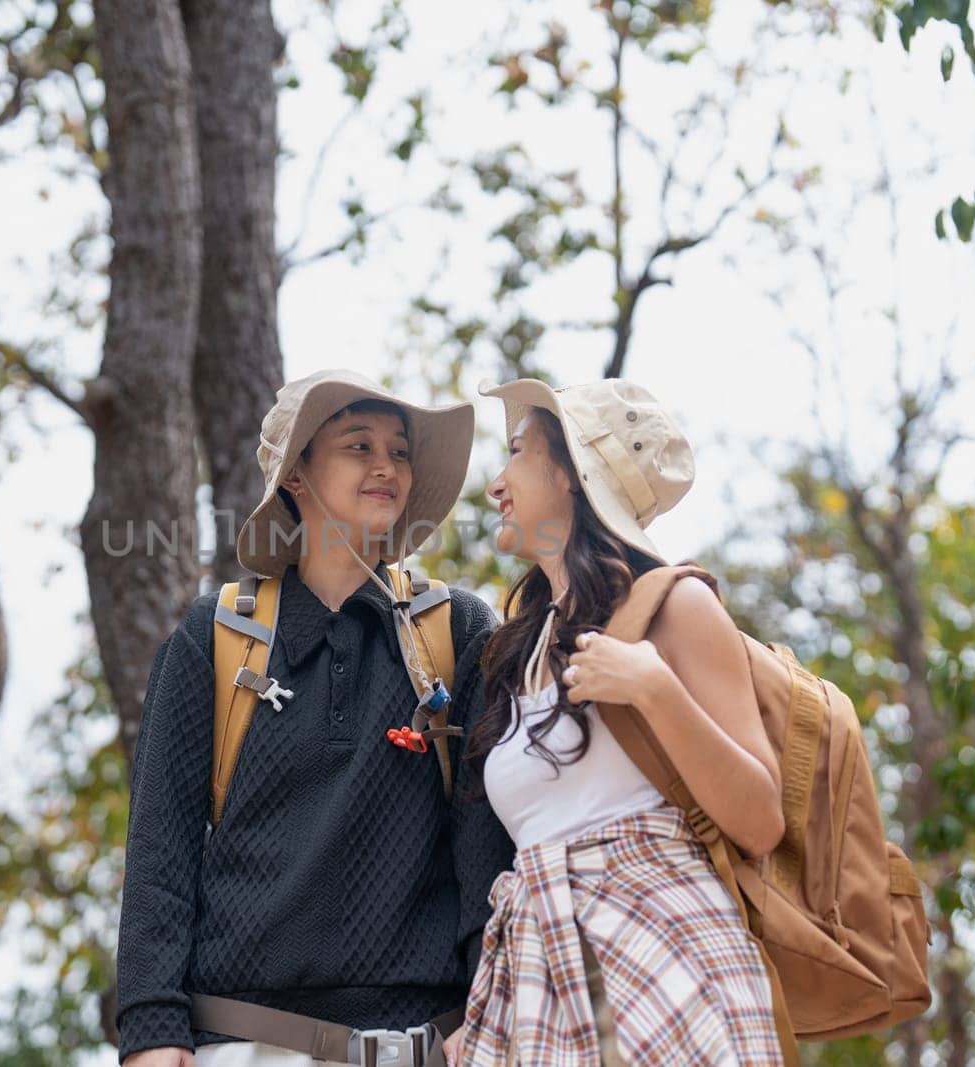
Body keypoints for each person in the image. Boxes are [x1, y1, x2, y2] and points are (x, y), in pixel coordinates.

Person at [116, 369, 517, 1067]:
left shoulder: (459, 632)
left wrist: (488, 1005)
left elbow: (483, 846)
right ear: (297, 474)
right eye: (358, 445)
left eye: (399, 450)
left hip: (427, 1046)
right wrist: (151, 1027)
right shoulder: (214, 635)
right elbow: (161, 844)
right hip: (240, 1043)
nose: (387, 465)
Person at [444, 377, 787, 1065]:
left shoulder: (676, 606)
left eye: (516, 451)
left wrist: (657, 689)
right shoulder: (517, 645)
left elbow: (760, 820)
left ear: (571, 472)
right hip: (541, 990)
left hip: (668, 975)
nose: (495, 483)